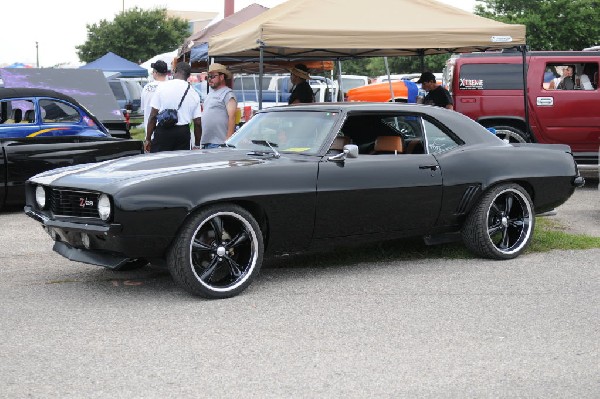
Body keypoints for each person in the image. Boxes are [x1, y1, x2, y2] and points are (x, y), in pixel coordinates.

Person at [145, 62, 202, 153]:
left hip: (163, 131)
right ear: (188, 76)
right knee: (179, 164)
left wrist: (148, 138)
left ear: (174, 71)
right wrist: (197, 145)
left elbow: (153, 115)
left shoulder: (162, 87)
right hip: (183, 133)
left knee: (159, 163)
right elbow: (198, 122)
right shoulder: (193, 93)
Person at [199, 63, 238, 149]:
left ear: (222, 77)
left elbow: (232, 117)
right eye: (208, 76)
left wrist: (228, 140)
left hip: (219, 143)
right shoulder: (210, 94)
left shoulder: (228, 93)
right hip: (206, 142)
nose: (209, 79)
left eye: (213, 76)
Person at [141, 60, 169, 144]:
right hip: (165, 131)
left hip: (149, 132)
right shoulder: (169, 87)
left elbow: (143, 108)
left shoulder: (146, 87)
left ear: (155, 72)